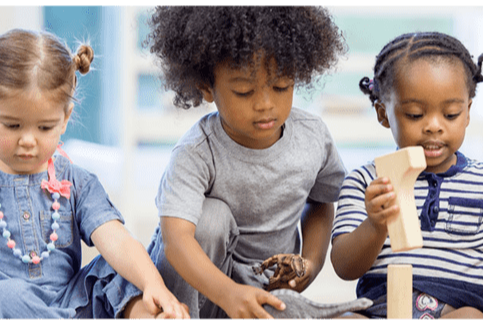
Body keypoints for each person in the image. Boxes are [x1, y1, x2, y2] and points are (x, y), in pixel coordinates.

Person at [121, 5, 347, 320]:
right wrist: (228, 293)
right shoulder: (197, 151)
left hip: (264, 292)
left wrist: (310, 263)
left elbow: (322, 202)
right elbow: (176, 241)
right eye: (244, 91)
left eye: (281, 86)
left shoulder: (313, 137)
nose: (266, 104)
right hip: (197, 290)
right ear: (206, 87)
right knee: (210, 218)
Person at [0, 29, 189, 320]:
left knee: (118, 268)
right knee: (6, 294)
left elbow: (117, 240)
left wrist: (153, 284)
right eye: (13, 126)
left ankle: (148, 316)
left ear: (64, 119)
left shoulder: (78, 182)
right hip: (11, 306)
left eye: (44, 127)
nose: (28, 140)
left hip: (73, 304)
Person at [331, 31, 483, 320]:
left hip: (452, 312)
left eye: (450, 114)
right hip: (380, 311)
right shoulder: (365, 182)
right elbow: (344, 267)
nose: (434, 127)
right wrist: (376, 224)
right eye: (415, 115)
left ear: (467, 113)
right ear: (383, 114)